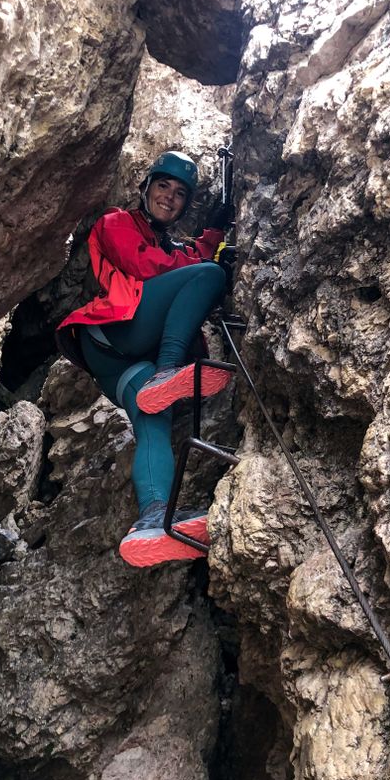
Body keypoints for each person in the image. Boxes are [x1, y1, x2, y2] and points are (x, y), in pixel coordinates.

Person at [57, 151, 234, 568]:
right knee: (210, 275)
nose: (169, 197)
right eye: (163, 186)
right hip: (114, 333)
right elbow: (147, 266)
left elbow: (185, 254)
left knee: (154, 420)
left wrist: (216, 231)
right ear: (146, 188)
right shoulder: (116, 222)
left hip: (120, 368)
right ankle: (168, 370)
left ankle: (153, 518)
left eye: (179, 194)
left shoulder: (173, 245)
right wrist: (207, 260)